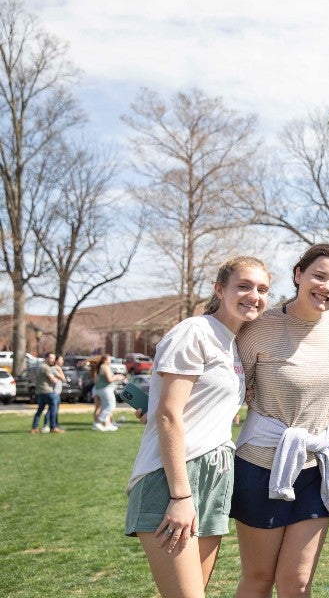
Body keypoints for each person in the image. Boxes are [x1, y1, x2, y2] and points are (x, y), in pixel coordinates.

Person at [124, 256, 271, 598]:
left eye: (262, 289)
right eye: (244, 286)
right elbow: (169, 414)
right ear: (220, 290)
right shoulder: (195, 331)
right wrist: (180, 495)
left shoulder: (233, 342)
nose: (254, 295)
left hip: (216, 474)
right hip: (174, 477)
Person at [230, 244, 329, 598]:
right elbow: (227, 385)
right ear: (298, 274)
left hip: (316, 469)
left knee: (297, 584)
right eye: (319, 276)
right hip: (261, 465)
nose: (326, 287)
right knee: (259, 577)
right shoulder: (258, 327)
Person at [30, 352, 66, 434]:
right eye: (51, 358)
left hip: (41, 392)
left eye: (54, 358)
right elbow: (53, 379)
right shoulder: (46, 368)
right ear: (46, 358)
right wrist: (57, 379)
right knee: (53, 409)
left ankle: (34, 428)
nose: (53, 360)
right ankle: (53, 427)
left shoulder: (41, 367)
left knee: (40, 410)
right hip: (48, 392)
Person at [91, 354, 126, 431]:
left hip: (103, 389)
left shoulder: (102, 367)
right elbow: (109, 379)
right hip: (106, 389)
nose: (110, 360)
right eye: (109, 359)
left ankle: (107, 424)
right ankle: (99, 422)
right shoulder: (105, 367)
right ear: (105, 360)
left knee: (106, 407)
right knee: (110, 406)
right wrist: (117, 377)